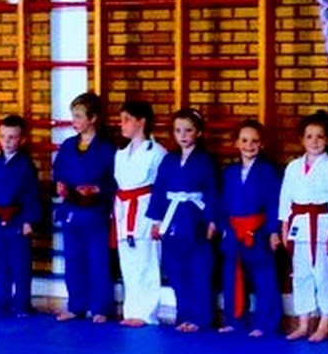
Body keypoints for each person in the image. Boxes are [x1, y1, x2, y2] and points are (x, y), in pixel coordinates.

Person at [146, 108, 219, 332]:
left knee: (199, 269)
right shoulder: (169, 160)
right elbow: (159, 190)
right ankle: (184, 314)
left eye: (188, 130)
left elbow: (213, 190)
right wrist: (156, 220)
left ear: (198, 132)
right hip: (172, 216)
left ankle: (200, 318)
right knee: (176, 269)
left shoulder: (206, 161)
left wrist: (212, 220)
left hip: (195, 216)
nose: (183, 135)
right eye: (178, 130)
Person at [279, 111, 328, 342]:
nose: (314, 141)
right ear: (302, 140)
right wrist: (284, 225)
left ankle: (325, 323)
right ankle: (303, 323)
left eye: (319, 136)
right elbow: (285, 198)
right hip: (299, 226)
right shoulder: (293, 167)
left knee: (325, 275)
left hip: (323, 227)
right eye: (309, 136)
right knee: (301, 275)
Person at [52, 92, 115, 323]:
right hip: (72, 209)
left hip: (96, 211)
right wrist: (60, 185)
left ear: (93, 118)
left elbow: (116, 181)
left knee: (98, 260)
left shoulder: (107, 148)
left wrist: (98, 189)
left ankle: (100, 307)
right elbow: (58, 172)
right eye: (73, 116)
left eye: (79, 116)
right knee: (73, 259)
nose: (74, 121)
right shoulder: (68, 146)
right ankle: (76, 305)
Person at [218, 119, 282, 337]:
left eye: (254, 141)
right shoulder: (229, 173)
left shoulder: (269, 171)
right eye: (244, 140)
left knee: (264, 276)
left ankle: (266, 323)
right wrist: (224, 227)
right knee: (232, 274)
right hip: (234, 230)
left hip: (259, 230)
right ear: (236, 143)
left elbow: (274, 203)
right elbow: (223, 203)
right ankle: (234, 320)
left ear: (262, 144)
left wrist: (273, 231)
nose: (249, 145)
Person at [0, 114, 40, 317]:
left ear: (22, 140)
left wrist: (29, 220)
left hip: (17, 220)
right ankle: (1, 303)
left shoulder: (26, 165)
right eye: (3, 136)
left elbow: (32, 194)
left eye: (12, 137)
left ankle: (22, 304)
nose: (7, 141)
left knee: (20, 264)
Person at [112, 100, 166, 327]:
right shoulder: (120, 153)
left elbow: (162, 188)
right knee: (129, 263)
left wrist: (158, 220)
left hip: (146, 211)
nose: (122, 124)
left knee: (147, 262)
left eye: (127, 120)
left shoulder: (157, 152)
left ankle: (147, 313)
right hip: (124, 210)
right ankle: (131, 310)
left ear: (141, 122)